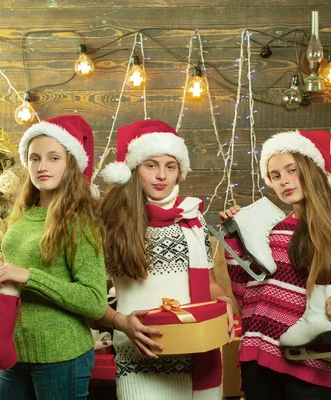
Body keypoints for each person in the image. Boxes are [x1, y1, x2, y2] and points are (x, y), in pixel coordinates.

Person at [221, 130, 331, 400]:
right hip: (260, 358)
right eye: (275, 176)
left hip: (317, 363)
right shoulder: (272, 230)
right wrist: (236, 239)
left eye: (291, 170)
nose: (284, 181)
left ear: (312, 169)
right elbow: (247, 296)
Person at [97, 119, 234, 400]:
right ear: (134, 169)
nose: (161, 175)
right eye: (151, 165)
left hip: (196, 355)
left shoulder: (191, 217)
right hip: (139, 359)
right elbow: (89, 296)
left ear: (179, 171)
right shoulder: (111, 221)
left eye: (170, 166)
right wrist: (121, 321)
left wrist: (225, 303)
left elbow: (210, 284)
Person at [0, 115, 107, 400]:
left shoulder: (79, 222)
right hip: (15, 350)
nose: (42, 167)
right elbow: (19, 271)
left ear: (70, 164)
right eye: (35, 158)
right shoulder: (23, 216)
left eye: (53, 158)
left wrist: (28, 276)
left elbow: (95, 301)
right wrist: (0, 269)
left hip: (62, 355)